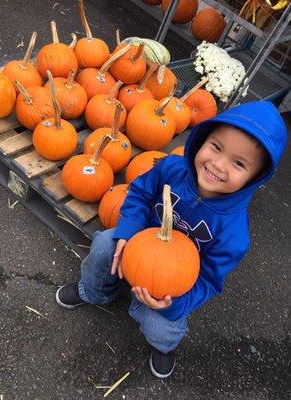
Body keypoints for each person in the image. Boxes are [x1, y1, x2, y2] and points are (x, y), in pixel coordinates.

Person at [55, 100, 287, 378]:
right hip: (138, 248)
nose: (218, 164)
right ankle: (93, 291)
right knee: (106, 243)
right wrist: (127, 232)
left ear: (254, 178)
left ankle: (163, 345)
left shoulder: (234, 233)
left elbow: (210, 280)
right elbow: (140, 194)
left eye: (238, 163)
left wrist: (174, 303)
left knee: (162, 326)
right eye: (216, 147)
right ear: (202, 139)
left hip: (171, 288)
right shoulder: (173, 168)